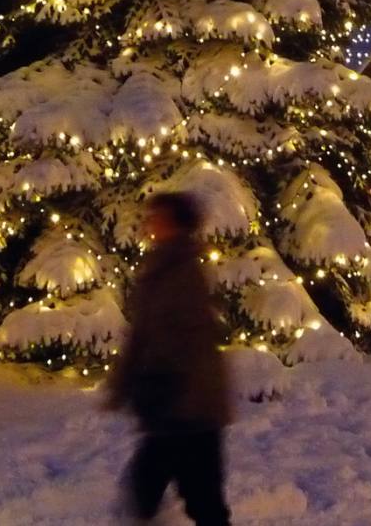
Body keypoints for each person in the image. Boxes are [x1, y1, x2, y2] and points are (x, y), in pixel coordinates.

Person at [105, 193, 232, 526]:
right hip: (173, 401)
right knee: (161, 490)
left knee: (197, 498)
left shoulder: (182, 270)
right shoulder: (162, 264)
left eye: (158, 216)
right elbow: (142, 334)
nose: (150, 222)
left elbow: (184, 337)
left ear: (176, 223)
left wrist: (159, 383)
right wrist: (125, 384)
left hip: (188, 403)